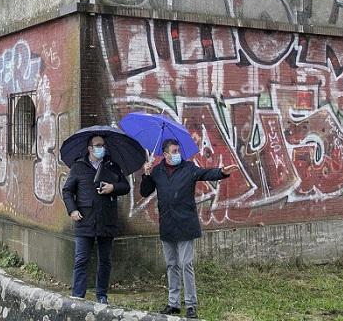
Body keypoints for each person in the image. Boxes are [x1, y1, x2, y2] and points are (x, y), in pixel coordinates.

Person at [139, 138, 238, 319]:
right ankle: (173, 303)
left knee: (186, 264)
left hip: (185, 222)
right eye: (174, 151)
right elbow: (145, 192)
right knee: (171, 265)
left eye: (178, 151)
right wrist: (145, 174)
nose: (177, 154)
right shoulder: (158, 171)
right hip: (167, 223)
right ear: (165, 154)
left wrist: (222, 172)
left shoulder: (188, 168)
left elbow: (205, 173)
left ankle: (191, 305)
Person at [61, 134, 130, 305]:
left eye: (103, 145)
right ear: (90, 148)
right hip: (85, 219)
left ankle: (101, 295)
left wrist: (112, 187)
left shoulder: (112, 166)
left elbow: (125, 187)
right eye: (98, 145)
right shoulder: (79, 167)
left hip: (107, 219)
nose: (102, 148)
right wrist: (73, 210)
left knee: (105, 260)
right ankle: (78, 296)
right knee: (81, 259)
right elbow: (67, 191)